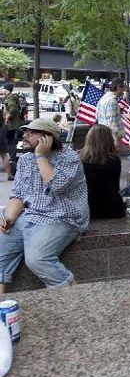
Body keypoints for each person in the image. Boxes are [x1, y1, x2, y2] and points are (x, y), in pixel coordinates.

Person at [0, 118, 89, 294]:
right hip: (30, 215)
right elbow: (18, 194)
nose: (24, 136)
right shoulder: (25, 159)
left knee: (37, 258)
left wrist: (41, 156)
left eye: (30, 133)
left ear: (46, 138)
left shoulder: (69, 157)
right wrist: (9, 217)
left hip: (62, 217)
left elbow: (56, 185)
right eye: (25, 132)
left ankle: (74, 297)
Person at [79, 124, 126, 219]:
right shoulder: (114, 160)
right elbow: (115, 186)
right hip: (111, 208)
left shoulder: (80, 158)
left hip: (87, 207)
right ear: (108, 140)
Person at [97, 78, 125, 148]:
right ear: (118, 87)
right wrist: (116, 141)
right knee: (110, 157)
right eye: (123, 87)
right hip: (110, 138)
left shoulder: (104, 97)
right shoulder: (112, 101)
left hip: (103, 134)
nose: (124, 90)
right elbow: (112, 124)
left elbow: (98, 116)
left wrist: (118, 110)